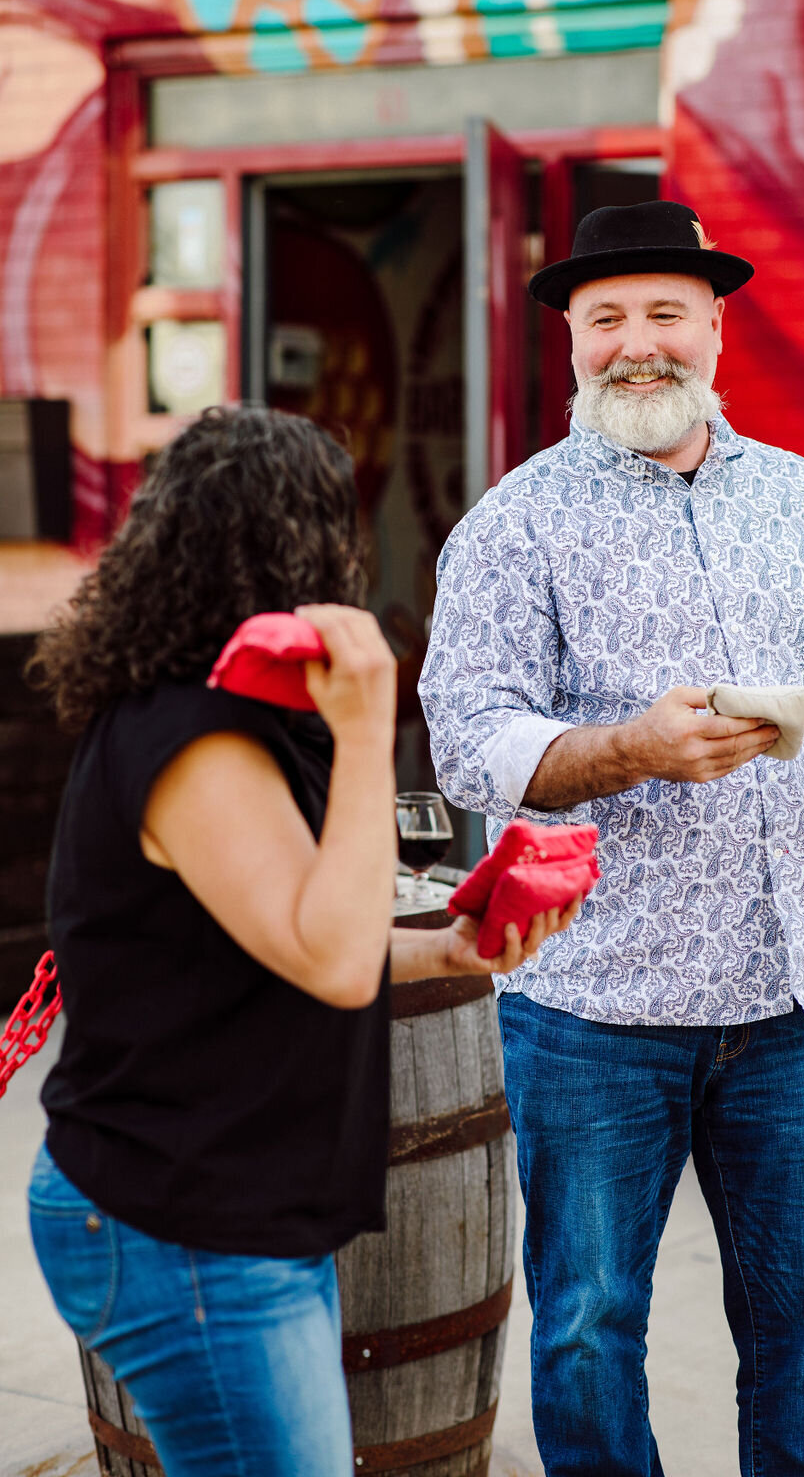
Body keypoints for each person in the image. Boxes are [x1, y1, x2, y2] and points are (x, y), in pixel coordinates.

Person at [418, 201, 804, 1477]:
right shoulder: (514, 522)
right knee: (591, 1332)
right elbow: (466, 735)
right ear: (571, 341)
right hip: (596, 1010)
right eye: (607, 319)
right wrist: (630, 749)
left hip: (798, 1004)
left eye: (664, 313)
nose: (636, 343)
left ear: (714, 324)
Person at [25, 405, 579, 1477]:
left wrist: (453, 950)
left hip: (232, 1219)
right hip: (181, 1229)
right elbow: (327, 960)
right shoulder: (191, 740)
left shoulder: (236, 721)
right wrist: (373, 721)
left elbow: (301, 940)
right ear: (307, 547)